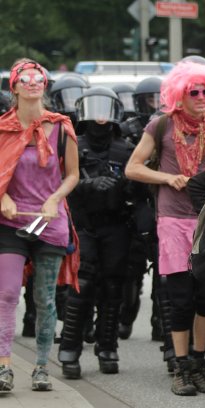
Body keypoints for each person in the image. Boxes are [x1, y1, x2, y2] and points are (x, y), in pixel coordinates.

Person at [125, 61, 205, 396]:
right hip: (171, 220)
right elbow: (132, 168)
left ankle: (199, 362)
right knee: (179, 297)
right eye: (193, 91)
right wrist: (167, 178)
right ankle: (181, 366)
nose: (201, 97)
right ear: (179, 95)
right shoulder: (161, 126)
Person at [0, 59, 79, 392]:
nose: (33, 83)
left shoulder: (62, 127)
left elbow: (73, 174)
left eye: (39, 78)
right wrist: (2, 197)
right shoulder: (3, 129)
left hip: (49, 222)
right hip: (10, 221)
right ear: (14, 87)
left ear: (45, 85)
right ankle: (4, 366)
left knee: (45, 298)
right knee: (5, 294)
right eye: (26, 78)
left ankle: (41, 366)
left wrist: (54, 199)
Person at [57, 87, 135, 379]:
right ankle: (70, 348)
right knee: (83, 284)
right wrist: (86, 185)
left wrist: (126, 187)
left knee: (114, 286)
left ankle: (107, 346)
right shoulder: (73, 143)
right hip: (84, 225)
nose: (100, 116)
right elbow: (58, 181)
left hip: (116, 224)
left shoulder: (124, 148)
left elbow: (136, 186)